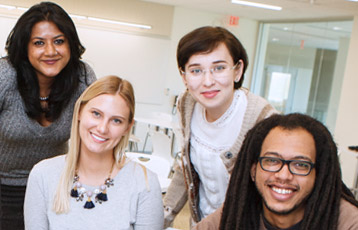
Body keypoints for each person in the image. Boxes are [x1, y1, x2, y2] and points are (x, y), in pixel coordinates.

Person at [163, 26, 277, 227]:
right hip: (202, 224)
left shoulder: (262, 117)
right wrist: (161, 219)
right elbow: (185, 168)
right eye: (196, 70)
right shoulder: (187, 104)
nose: (208, 81)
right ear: (184, 77)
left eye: (219, 68)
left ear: (237, 70)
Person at [0, 2, 96, 229]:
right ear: (25, 47)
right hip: (4, 188)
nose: (51, 51)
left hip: (53, 187)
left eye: (59, 41)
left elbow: (97, 129)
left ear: (71, 44)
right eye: (39, 43)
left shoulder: (82, 77)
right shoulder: (5, 75)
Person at [24, 75, 164, 229]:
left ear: (127, 128)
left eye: (116, 120)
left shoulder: (144, 183)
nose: (103, 128)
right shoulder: (43, 175)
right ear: (79, 112)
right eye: (96, 114)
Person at [194, 113, 358, 230]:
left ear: (318, 176)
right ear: (253, 171)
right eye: (272, 161)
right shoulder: (238, 211)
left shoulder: (349, 222)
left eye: (300, 165)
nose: (284, 175)